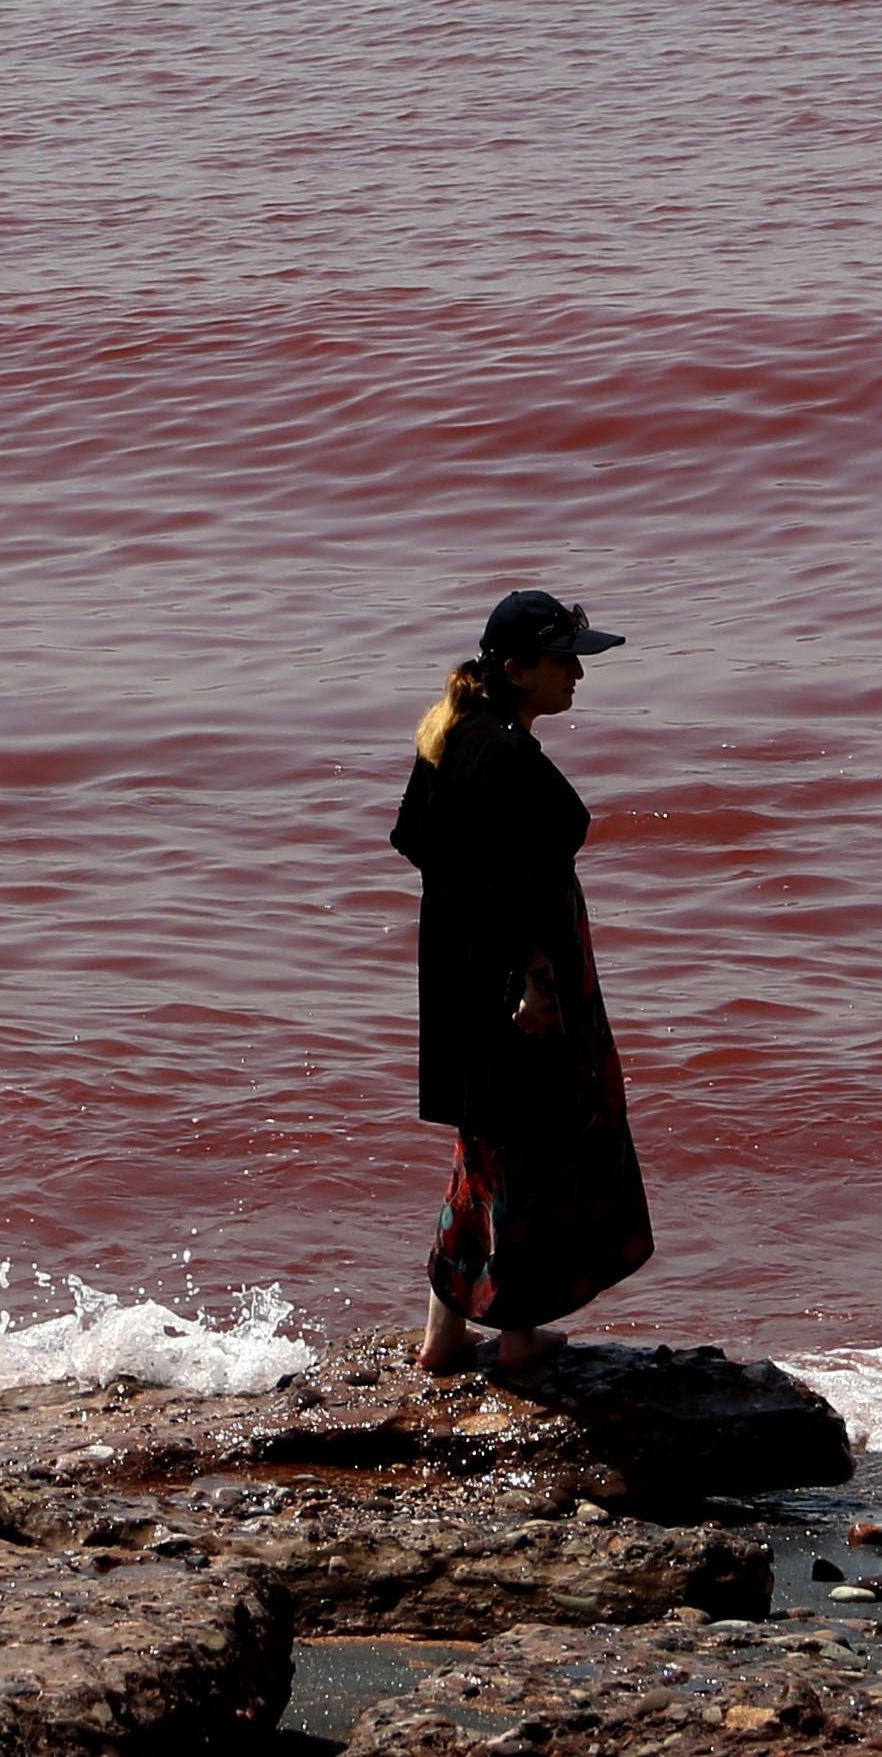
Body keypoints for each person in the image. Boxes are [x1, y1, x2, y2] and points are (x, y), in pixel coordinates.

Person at [389, 585, 652, 1373]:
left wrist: (491, 955)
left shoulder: (450, 737)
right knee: (541, 1150)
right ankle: (519, 1335)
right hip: (518, 987)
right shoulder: (503, 754)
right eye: (563, 659)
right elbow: (508, 883)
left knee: (488, 1154)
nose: (578, 673)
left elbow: (424, 846)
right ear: (516, 668)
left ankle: (444, 1334)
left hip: (464, 986)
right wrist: (533, 978)